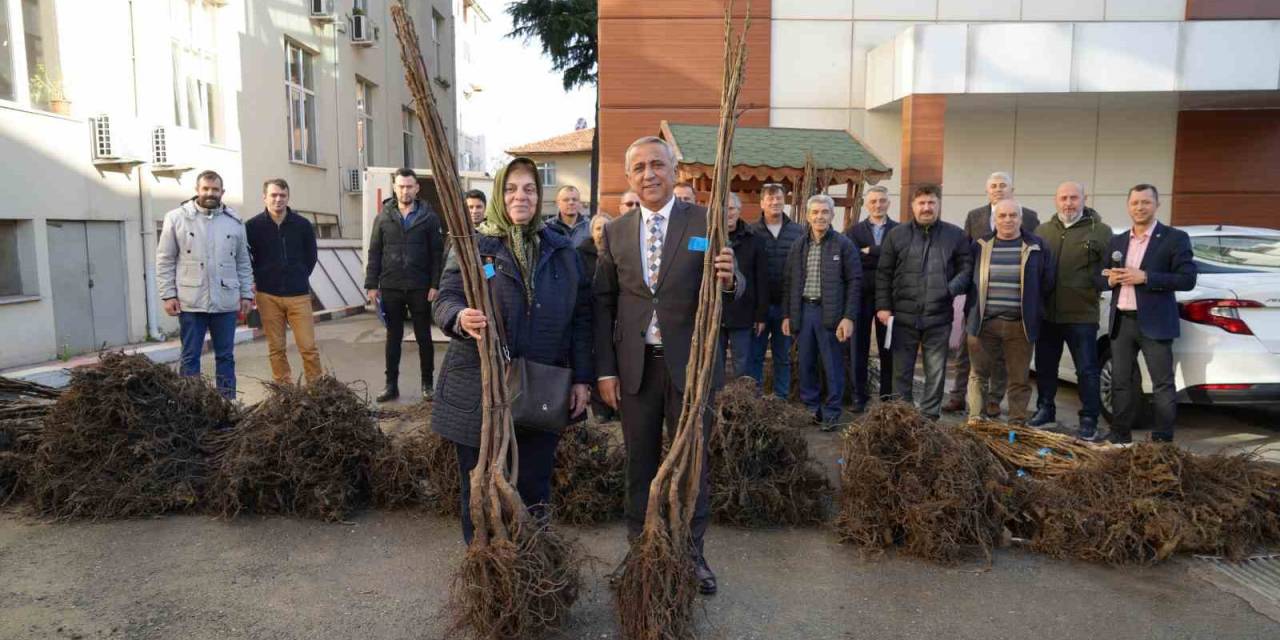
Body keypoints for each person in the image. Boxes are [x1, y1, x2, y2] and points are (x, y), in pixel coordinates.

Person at [594, 136, 741, 596]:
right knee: (640, 464)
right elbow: (603, 303)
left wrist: (731, 278)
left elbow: (733, 286)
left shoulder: (706, 221)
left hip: (691, 368)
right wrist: (605, 371)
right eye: (639, 167)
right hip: (636, 370)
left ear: (674, 170)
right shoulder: (616, 232)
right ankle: (640, 553)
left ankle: (691, 556)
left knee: (692, 463)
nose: (649, 174)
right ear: (629, 177)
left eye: (657, 165)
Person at [431, 157, 593, 543]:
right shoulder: (474, 246)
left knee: (535, 485)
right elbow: (446, 299)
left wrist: (582, 378)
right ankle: (486, 566)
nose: (520, 196)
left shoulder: (560, 250)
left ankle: (532, 565)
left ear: (540, 197)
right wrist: (460, 317)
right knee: (481, 482)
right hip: (480, 387)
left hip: (540, 385)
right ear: (498, 195)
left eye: (530, 189)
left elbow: (580, 318)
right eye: (511, 189)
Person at [1098, 184, 1196, 444]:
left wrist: (1146, 277)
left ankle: (1163, 439)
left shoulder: (1175, 238)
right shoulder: (1117, 241)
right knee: (1121, 382)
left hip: (1155, 323)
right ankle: (1120, 435)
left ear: (1157, 204)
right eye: (1135, 203)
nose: (1139, 208)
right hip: (1122, 321)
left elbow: (1187, 279)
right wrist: (1109, 281)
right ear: (1128, 206)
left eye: (1145, 202)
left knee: (1161, 383)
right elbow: (1101, 275)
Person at [944, 172, 1043, 414]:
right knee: (969, 362)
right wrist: (950, 290)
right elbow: (966, 262)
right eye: (994, 186)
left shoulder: (1033, 229)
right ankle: (963, 402)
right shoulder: (976, 225)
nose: (1007, 220)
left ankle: (997, 405)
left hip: (1018, 319)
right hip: (981, 310)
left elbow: (1044, 278)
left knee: (1010, 368)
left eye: (1003, 185)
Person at [875, 184, 972, 421]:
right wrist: (883, 306)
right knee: (902, 371)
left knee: (935, 371)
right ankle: (904, 417)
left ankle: (929, 417)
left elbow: (967, 269)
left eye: (931, 203)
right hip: (903, 315)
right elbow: (884, 273)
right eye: (922, 203)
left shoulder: (955, 235)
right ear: (913, 206)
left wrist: (950, 290)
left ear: (938, 205)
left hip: (938, 317)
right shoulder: (896, 235)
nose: (926, 208)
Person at [155, 170, 253, 399]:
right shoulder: (176, 218)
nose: (210, 193)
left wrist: (247, 294)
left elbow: (243, 262)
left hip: (225, 302)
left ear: (222, 192)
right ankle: (191, 408)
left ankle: (227, 405)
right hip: (191, 302)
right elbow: (165, 259)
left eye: (215, 189)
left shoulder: (235, 222)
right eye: (206, 189)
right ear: (197, 190)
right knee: (190, 356)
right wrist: (168, 294)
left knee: (225, 356)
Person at [1029, 181, 1113, 440]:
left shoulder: (1101, 231)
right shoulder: (1042, 230)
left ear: (1084, 199)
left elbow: (1107, 271)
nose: (1068, 203)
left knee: (1086, 370)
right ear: (1056, 200)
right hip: (1047, 315)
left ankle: (1089, 418)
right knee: (1045, 367)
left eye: (1074, 198)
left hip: (1081, 314)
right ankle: (1045, 409)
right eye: (1063, 198)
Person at [964, 199, 1054, 424]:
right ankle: (976, 419)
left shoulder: (1037, 246)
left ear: (1021, 219)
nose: (1007, 220)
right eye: (1002, 216)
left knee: (1019, 378)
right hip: (984, 323)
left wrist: (1035, 310)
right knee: (978, 375)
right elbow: (968, 278)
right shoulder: (980, 245)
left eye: (1013, 215)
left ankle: (1017, 422)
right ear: (995, 219)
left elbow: (1048, 282)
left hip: (1019, 325)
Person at [364, 168, 445, 402]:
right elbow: (374, 252)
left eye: (409, 186)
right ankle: (391, 386)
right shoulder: (383, 217)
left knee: (424, 338)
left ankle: (427, 385)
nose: (405, 190)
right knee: (393, 337)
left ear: (417, 188)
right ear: (394, 187)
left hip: (420, 287)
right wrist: (372, 284)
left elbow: (436, 254)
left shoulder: (429, 218)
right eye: (400, 186)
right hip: (391, 286)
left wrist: (435, 284)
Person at [782, 194, 861, 429]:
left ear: (832, 215)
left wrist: (848, 317)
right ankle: (811, 408)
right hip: (804, 312)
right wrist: (787, 315)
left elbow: (855, 281)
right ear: (807, 216)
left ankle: (832, 412)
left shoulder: (843, 244)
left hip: (831, 314)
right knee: (806, 363)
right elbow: (789, 282)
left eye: (824, 212)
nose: (820, 216)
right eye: (815, 212)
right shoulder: (799, 245)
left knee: (832, 365)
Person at [245, 178, 321, 385]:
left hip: (298, 295)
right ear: (264, 197)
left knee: (308, 347)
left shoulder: (302, 225)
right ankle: (284, 390)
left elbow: (311, 256)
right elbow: (246, 258)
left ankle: (317, 390)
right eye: (274, 195)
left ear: (288, 197)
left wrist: (299, 275)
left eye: (282, 195)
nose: (278, 199)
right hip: (268, 295)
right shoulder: (252, 227)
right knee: (276, 348)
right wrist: (256, 278)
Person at [748, 183, 804, 396]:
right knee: (756, 356)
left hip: (785, 307)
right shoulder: (752, 231)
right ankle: (754, 399)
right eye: (770, 199)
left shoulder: (797, 231)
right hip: (759, 307)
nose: (775, 202)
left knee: (782, 357)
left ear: (784, 201)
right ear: (762, 203)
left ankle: (780, 401)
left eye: (779, 198)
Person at [846, 185, 897, 412]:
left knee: (889, 347)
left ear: (888, 203)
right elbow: (854, 260)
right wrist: (882, 254)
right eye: (874, 201)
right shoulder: (854, 231)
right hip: (861, 296)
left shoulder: (899, 230)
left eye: (882, 201)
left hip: (889, 297)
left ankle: (887, 396)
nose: (878, 205)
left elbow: (897, 260)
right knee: (859, 348)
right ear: (867, 203)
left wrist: (871, 251)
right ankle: (859, 396)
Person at [721, 192, 768, 380]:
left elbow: (761, 279)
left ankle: (741, 403)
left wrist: (760, 314)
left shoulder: (754, 240)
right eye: (724, 208)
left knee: (742, 364)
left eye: (731, 208)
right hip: (715, 314)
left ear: (739, 211)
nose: (728, 213)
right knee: (715, 364)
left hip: (743, 312)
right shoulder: (706, 238)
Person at [578, 213, 618, 422]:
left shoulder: (620, 253)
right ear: (591, 232)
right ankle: (600, 406)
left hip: (616, 318)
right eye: (598, 228)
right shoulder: (580, 254)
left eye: (606, 228)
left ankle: (617, 404)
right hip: (590, 316)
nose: (602, 232)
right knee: (596, 360)